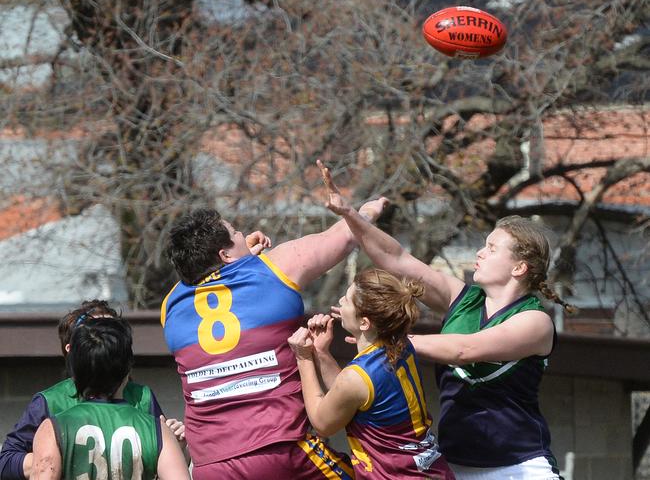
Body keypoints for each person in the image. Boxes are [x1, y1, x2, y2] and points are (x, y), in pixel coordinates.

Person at [319, 161, 566, 480]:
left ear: (519, 268)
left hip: (519, 466)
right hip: (453, 466)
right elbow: (396, 259)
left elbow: (464, 349)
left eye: (492, 248)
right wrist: (350, 215)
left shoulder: (535, 321)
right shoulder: (461, 298)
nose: (480, 253)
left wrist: (389, 340)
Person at [162, 195, 387, 480]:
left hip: (210, 464)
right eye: (236, 232)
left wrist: (242, 257)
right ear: (225, 254)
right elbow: (344, 235)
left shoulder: (170, 305)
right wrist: (371, 208)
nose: (244, 234)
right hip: (279, 448)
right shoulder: (277, 268)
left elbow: (215, 287)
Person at [287, 268, 455, 479]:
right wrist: (321, 352)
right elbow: (350, 396)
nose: (340, 301)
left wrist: (303, 358)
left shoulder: (358, 377)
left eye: (347, 300)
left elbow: (322, 423)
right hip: (431, 471)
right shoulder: (401, 345)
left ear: (365, 322)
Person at [0, 300, 185, 480]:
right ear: (73, 351)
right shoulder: (50, 403)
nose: (106, 342)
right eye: (99, 335)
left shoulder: (143, 398)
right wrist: (60, 456)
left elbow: (165, 467)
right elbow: (6, 461)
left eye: (112, 334)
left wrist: (179, 446)